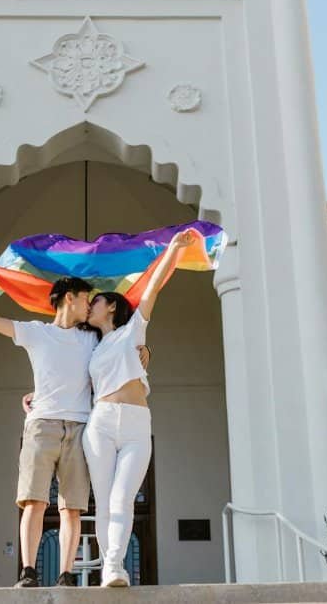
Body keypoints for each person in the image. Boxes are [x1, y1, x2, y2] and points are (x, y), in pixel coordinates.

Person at [0, 260, 147, 588]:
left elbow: (119, 349)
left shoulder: (91, 339)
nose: (89, 304)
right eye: (85, 298)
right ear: (68, 298)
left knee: (72, 507)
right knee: (34, 500)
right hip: (41, 426)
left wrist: (142, 350)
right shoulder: (37, 332)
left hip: (80, 428)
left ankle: (65, 574)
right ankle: (29, 572)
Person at [82, 228, 197, 587]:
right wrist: (35, 398)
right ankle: (112, 567)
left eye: (95, 302)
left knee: (123, 496)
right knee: (104, 499)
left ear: (112, 305)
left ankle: (114, 565)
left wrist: (173, 252)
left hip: (134, 423)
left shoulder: (132, 333)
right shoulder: (88, 348)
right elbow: (60, 378)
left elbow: (152, 290)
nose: (89, 308)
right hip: (100, 423)